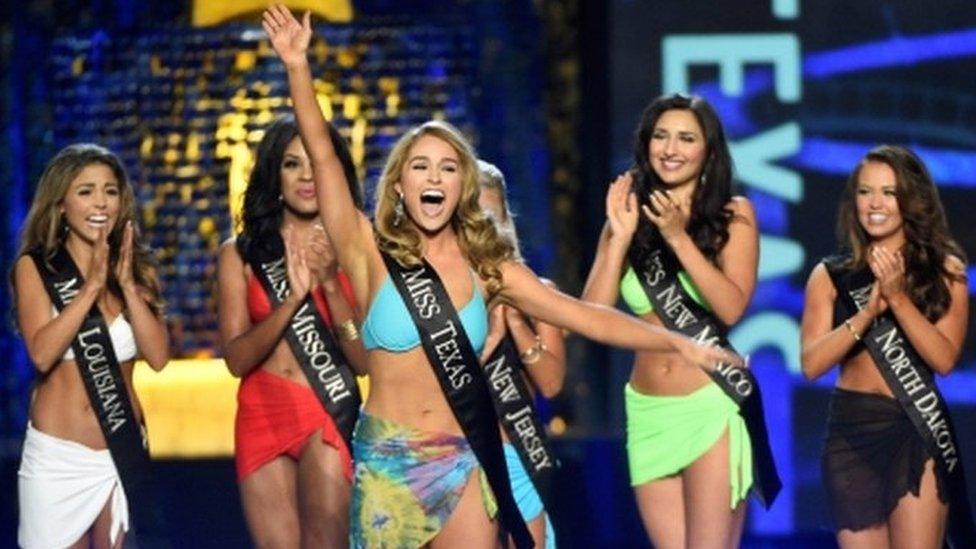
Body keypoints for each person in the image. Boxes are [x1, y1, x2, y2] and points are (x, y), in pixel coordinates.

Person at [264, 6, 740, 547]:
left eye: (448, 167)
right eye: (420, 166)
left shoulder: (489, 269)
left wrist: (681, 342)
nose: (434, 176)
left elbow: (588, 317)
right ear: (399, 185)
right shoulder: (367, 249)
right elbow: (323, 155)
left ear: (463, 188)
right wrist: (297, 66)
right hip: (386, 461)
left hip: (463, 456)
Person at [581, 93, 764, 547]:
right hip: (647, 411)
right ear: (646, 145)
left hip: (710, 404)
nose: (670, 149)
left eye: (686, 138)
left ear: (709, 151)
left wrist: (678, 239)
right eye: (661, 136)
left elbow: (731, 307)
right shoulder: (625, 217)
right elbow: (587, 316)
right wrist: (620, 238)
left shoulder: (733, 214)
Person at [800, 145, 970, 548]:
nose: (875, 204)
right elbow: (811, 364)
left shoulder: (947, 272)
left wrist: (897, 300)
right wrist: (865, 314)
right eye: (864, 192)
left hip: (914, 428)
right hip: (851, 433)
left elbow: (944, 359)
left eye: (889, 193)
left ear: (911, 201)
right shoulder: (829, 276)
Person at [217, 115, 367, 547]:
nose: (306, 177)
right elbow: (236, 360)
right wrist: (289, 303)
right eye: (291, 164)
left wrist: (329, 287)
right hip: (261, 411)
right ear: (273, 174)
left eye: (315, 164)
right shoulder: (240, 256)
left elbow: (361, 363)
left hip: (325, 409)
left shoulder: (356, 251)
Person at [14, 143, 170, 548]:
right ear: (61, 203)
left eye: (110, 190)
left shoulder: (136, 268)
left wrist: (129, 286)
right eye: (85, 191)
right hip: (57, 459)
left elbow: (158, 358)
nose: (100, 202)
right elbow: (42, 353)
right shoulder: (37, 268)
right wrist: (91, 290)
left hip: (118, 454)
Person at [478, 159, 563, 549]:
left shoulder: (538, 291)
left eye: (491, 218)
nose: (482, 230)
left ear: (506, 224)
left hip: (518, 454)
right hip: (454, 457)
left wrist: (514, 321)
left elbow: (551, 383)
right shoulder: (439, 301)